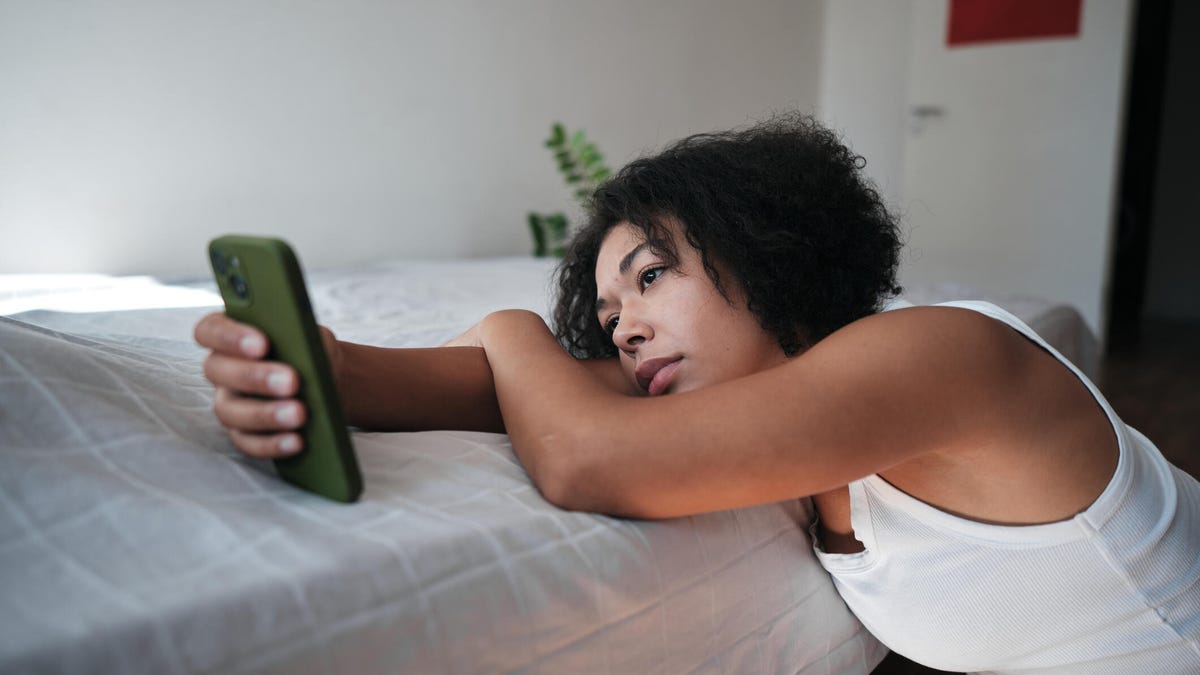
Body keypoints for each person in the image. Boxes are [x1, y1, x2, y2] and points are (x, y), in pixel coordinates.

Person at [194, 113, 1200, 673]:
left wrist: (511, 328)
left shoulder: (939, 357)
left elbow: (589, 455)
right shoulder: (767, 399)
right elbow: (506, 389)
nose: (623, 323)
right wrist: (312, 368)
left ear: (766, 250)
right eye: (607, 304)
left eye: (651, 274)